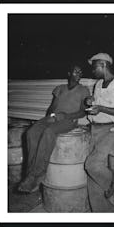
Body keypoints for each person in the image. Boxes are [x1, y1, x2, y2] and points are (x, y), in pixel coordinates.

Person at [18, 64, 90, 193]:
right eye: (76, 71)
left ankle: (37, 174)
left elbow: (83, 112)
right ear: (69, 73)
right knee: (31, 132)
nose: (79, 74)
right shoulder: (60, 88)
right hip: (54, 117)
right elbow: (52, 107)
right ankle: (29, 173)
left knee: (48, 132)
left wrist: (65, 116)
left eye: (80, 72)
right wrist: (48, 118)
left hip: (69, 120)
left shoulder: (83, 90)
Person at [84, 53, 114, 212]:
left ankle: (110, 178)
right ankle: (101, 213)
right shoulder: (98, 84)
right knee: (92, 178)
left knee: (92, 165)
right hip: (95, 128)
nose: (92, 71)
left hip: (111, 129)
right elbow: (97, 104)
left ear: (103, 65)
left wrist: (102, 108)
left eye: (94, 67)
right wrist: (90, 101)